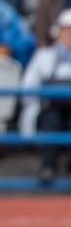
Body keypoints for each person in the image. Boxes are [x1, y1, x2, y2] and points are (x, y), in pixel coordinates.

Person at [20, 9, 71, 183]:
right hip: (50, 109)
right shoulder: (44, 56)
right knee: (52, 119)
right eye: (66, 30)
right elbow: (28, 86)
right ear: (58, 33)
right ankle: (48, 166)